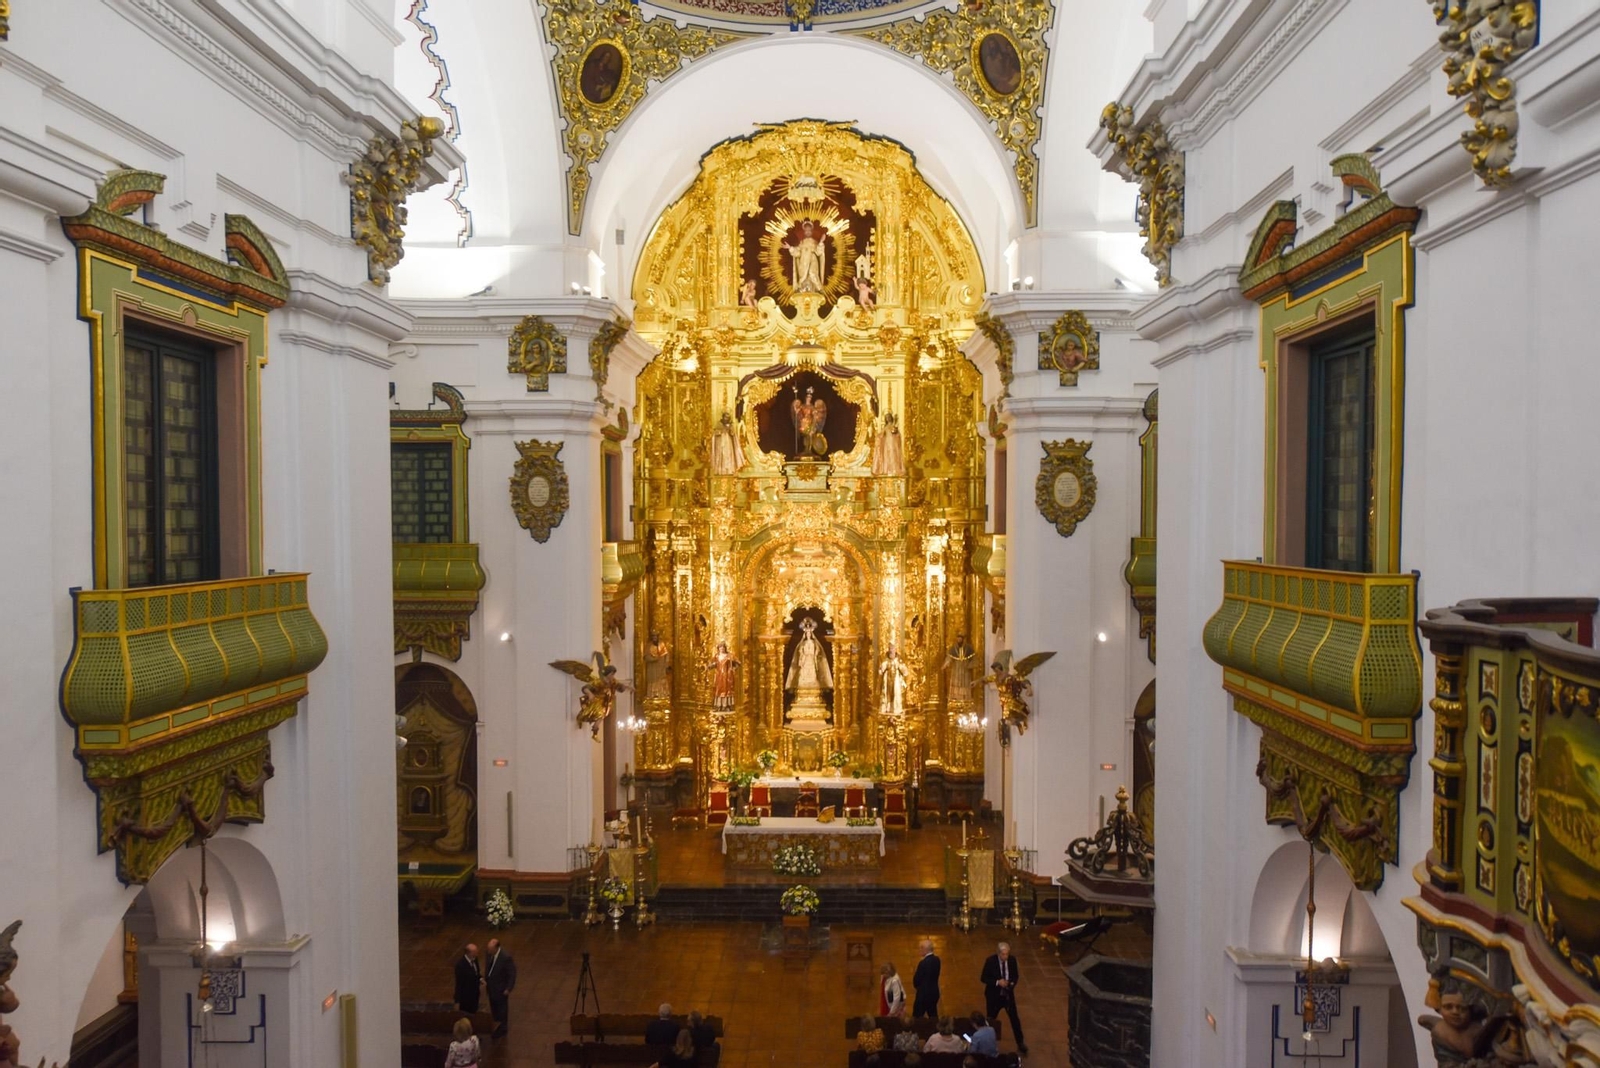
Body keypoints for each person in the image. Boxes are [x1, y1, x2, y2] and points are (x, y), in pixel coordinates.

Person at [980, 940, 1026, 1054]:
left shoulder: (1012, 960)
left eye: (1007, 954)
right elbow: (983, 978)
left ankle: (1020, 1042)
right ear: (999, 953)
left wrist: (1011, 984)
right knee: (990, 1020)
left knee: (1014, 1019)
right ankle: (988, 1043)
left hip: (1007, 996)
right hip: (993, 996)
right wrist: (997, 982)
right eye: (1003, 954)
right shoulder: (990, 961)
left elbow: (1015, 976)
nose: (1005, 956)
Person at [483, 938, 516, 1038]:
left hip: (501, 989)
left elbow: (512, 974)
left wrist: (508, 988)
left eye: (490, 949)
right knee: (494, 1008)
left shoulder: (506, 958)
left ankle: (502, 1028)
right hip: (491, 988)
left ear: (496, 948)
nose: (488, 951)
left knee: (502, 1009)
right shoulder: (489, 954)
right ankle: (496, 1025)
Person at [911, 939, 941, 1018]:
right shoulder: (937, 960)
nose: (919, 950)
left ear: (925, 949)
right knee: (933, 1015)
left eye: (921, 948)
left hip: (923, 996)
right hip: (934, 992)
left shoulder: (923, 963)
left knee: (917, 1016)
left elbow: (916, 980)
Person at [452, 943, 481, 1013]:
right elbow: (459, 984)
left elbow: (476, 973)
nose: (477, 953)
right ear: (469, 953)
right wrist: (457, 1001)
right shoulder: (460, 965)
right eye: (474, 951)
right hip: (466, 998)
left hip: (475, 996)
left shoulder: (475, 959)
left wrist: (480, 978)